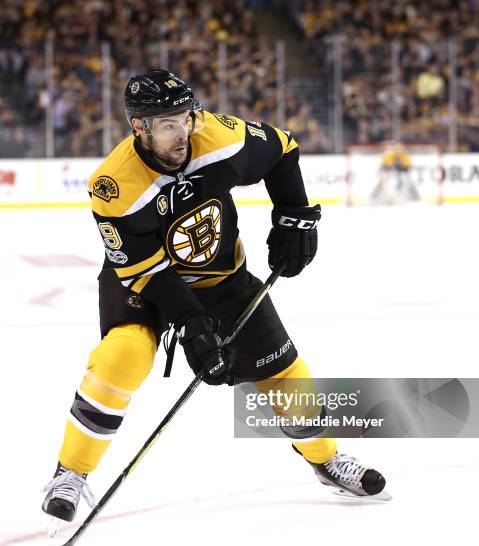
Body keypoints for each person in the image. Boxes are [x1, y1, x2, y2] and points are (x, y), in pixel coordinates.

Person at [42, 69, 386, 523]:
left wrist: (295, 216)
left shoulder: (217, 135)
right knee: (120, 359)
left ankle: (325, 459)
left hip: (223, 276)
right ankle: (71, 472)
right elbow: (147, 270)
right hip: (146, 284)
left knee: (287, 376)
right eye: (167, 124)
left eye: (185, 118)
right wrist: (192, 324)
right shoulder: (114, 185)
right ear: (138, 127)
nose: (182, 132)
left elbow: (282, 150)